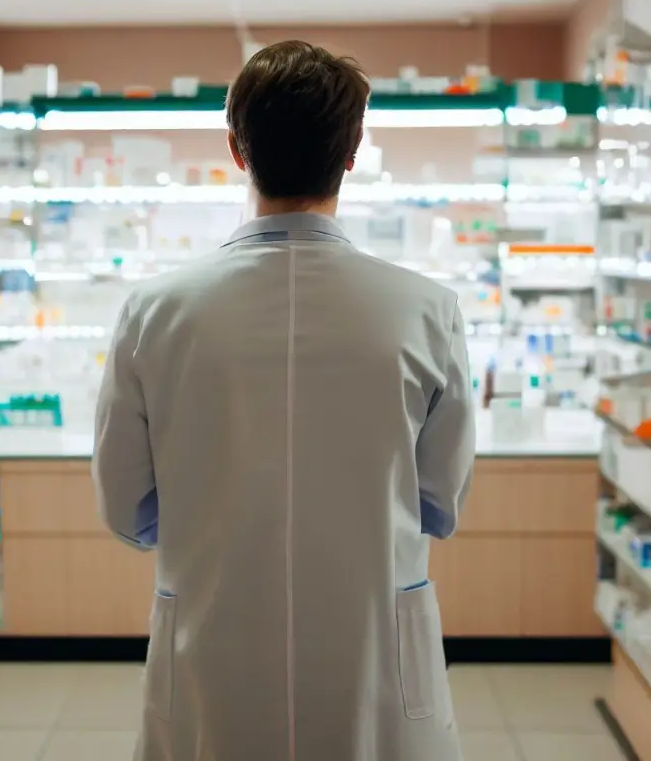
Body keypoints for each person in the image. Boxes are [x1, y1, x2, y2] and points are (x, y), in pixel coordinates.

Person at [92, 39, 475, 761]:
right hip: (373, 642)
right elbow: (439, 500)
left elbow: (126, 506)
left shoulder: (155, 311)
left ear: (237, 150)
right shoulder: (427, 310)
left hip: (212, 636)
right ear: (353, 153)